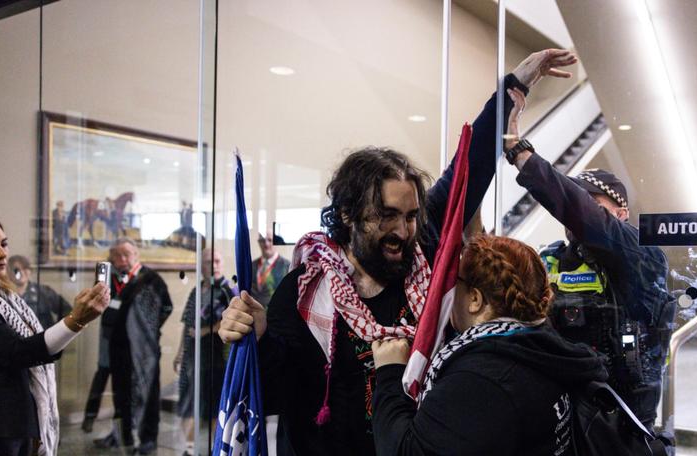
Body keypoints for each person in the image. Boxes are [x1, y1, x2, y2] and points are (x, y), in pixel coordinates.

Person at [218, 48, 578, 456]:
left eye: (410, 216)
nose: (403, 232)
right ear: (349, 215)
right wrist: (255, 339)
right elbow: (274, 396)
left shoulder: (422, 254)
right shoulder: (305, 293)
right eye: (387, 216)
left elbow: (469, 166)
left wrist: (513, 86)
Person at [502, 84, 676, 427]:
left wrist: (519, 152)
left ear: (622, 213)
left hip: (620, 419)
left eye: (593, 203)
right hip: (557, 410)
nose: (578, 213)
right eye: (576, 202)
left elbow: (592, 223)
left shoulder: (641, 254)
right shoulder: (548, 258)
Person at [369, 235, 607, 455]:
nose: (447, 292)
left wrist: (390, 375)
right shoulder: (539, 344)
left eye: (454, 282)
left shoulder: (480, 381)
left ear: (475, 299)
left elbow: (407, 451)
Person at [0, 212, 110, 456]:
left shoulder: (8, 299)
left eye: (4, 244)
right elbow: (17, 352)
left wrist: (75, 320)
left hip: (20, 422)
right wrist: (75, 320)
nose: (1, 254)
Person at [94, 237, 173, 455]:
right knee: (120, 395)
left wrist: (146, 332)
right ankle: (120, 435)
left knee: (147, 395)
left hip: (144, 352)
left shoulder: (151, 279)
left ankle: (148, 441)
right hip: (116, 349)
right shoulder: (109, 279)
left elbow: (167, 307)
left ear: (136, 255)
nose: (121, 259)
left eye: (126, 254)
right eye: (116, 255)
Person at [174, 248, 234, 456]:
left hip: (215, 356)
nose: (214, 265)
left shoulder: (228, 290)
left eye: (217, 260)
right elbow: (187, 323)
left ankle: (213, 447)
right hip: (193, 355)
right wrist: (180, 353)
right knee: (189, 400)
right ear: (202, 265)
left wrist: (206, 331)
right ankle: (189, 448)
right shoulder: (196, 290)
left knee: (213, 404)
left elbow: (230, 321)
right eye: (209, 261)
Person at [81, 252, 118, 433]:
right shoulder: (108, 277)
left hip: (124, 340)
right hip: (107, 335)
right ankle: (89, 417)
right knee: (101, 376)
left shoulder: (134, 278)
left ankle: (119, 428)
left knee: (121, 384)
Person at [7, 255, 72, 330]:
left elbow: (67, 310)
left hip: (42, 338)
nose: (21, 272)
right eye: (17, 270)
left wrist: (56, 331)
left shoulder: (44, 292)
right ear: (9, 273)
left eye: (25, 268)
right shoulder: (4, 294)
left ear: (30, 271)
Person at [250, 232, 291, 307]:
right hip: (253, 315)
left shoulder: (288, 266)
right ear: (259, 242)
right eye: (262, 240)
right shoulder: (251, 266)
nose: (266, 244)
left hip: (276, 316)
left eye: (270, 240)